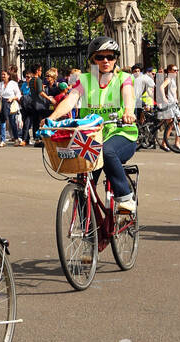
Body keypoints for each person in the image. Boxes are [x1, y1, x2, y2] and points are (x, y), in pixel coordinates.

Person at [49, 35, 137, 213]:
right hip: (90, 136)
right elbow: (70, 99)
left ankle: (125, 197)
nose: (105, 61)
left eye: (110, 57)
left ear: (115, 59)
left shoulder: (123, 78)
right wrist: (52, 117)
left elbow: (128, 95)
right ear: (92, 60)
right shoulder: (85, 80)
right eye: (100, 57)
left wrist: (128, 112)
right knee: (83, 181)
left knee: (107, 151)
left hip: (121, 133)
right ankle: (87, 231)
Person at [0, 69, 22, 146]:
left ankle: (16, 139)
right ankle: (2, 140)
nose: (3, 76)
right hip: (2, 103)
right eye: (2, 75)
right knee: (2, 122)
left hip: (10, 103)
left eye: (4, 75)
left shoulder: (13, 84)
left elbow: (18, 95)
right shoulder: (0, 84)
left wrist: (12, 98)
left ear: (8, 76)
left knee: (12, 121)